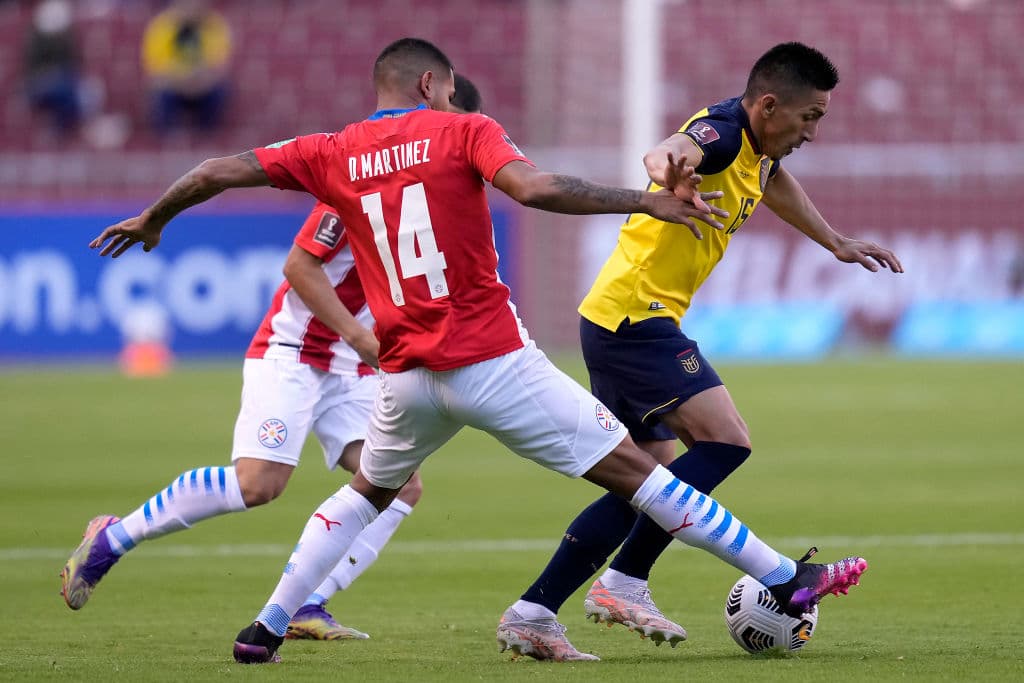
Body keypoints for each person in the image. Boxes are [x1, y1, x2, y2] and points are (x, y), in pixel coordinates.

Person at [84, 38, 868, 666]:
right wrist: (645, 197)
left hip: (404, 376)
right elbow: (537, 188)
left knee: (366, 492)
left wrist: (155, 218)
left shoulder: (332, 150)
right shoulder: (464, 128)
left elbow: (216, 170)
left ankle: (265, 625)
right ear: (435, 84)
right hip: (493, 363)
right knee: (646, 475)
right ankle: (780, 575)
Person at [498, 41, 903, 660]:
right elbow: (672, 150)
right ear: (770, 106)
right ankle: (624, 580)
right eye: (810, 117)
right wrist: (667, 171)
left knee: (645, 480)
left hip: (618, 318)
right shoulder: (720, 133)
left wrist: (834, 241)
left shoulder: (759, 152)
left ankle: (535, 611)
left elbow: (773, 181)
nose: (812, 132)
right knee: (725, 441)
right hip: (636, 319)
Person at [60, 74, 489, 640]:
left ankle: (309, 603)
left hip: (352, 367)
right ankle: (112, 539)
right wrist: (361, 338)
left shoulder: (441, 196)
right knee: (259, 484)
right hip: (294, 350)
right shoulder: (366, 180)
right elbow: (298, 268)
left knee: (399, 485)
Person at [141, 0, 232, 133]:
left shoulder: (214, 25)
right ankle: (167, 137)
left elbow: (218, 66)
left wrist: (198, 80)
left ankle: (208, 136)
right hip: (172, 84)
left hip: (204, 85)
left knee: (220, 91)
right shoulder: (162, 26)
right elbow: (156, 69)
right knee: (161, 94)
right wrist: (182, 80)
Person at [23, 0, 87, 134]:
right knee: (65, 92)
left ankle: (63, 131)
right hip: (40, 84)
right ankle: (60, 131)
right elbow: (30, 70)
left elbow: (73, 64)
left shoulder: (67, 39)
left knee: (80, 93)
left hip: (63, 83)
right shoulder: (35, 42)